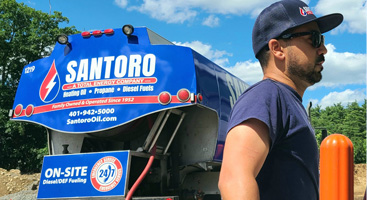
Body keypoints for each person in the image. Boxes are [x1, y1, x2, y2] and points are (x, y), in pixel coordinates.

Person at [218, 0, 343, 199]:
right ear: (277, 48)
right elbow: (234, 179)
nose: (323, 49)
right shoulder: (265, 96)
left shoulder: (286, 101)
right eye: (314, 38)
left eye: (322, 40)